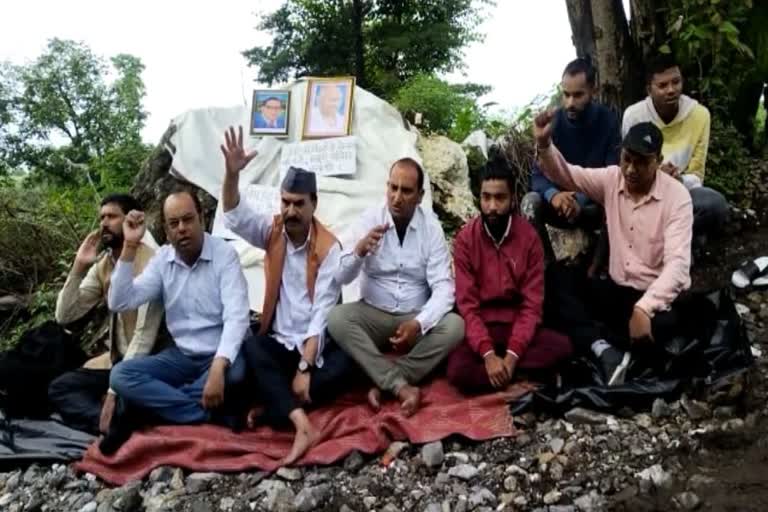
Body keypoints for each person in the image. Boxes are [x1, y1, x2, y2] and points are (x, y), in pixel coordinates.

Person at [220, 126, 351, 465]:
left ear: (313, 205)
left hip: (315, 350)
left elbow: (322, 316)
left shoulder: (328, 248)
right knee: (251, 346)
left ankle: (276, 406)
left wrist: (305, 367)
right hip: (280, 345)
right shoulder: (273, 231)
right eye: (286, 203)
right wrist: (231, 175)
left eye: (298, 204)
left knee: (349, 364)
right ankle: (299, 421)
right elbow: (234, 216)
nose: (291, 211)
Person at [534, 112, 696, 387]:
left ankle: (605, 344)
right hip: (616, 291)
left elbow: (678, 266)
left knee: (667, 328)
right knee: (554, 282)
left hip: (655, 298)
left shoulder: (677, 198)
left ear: (657, 161)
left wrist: (644, 308)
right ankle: (604, 349)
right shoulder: (612, 179)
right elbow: (567, 174)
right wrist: (545, 144)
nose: (631, 169)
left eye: (641, 162)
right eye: (627, 160)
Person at [100, 188, 251, 454]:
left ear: (201, 218)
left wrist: (217, 369)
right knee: (121, 375)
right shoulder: (163, 260)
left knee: (237, 375)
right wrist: (130, 245)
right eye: (174, 223)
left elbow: (237, 317)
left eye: (187, 219)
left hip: (222, 355)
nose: (182, 228)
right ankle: (207, 413)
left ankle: (153, 408)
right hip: (182, 357)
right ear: (166, 231)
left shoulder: (224, 254)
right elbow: (119, 301)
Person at [327, 158, 465, 416]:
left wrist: (420, 323)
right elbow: (339, 276)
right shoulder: (369, 219)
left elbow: (444, 289)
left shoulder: (431, 229)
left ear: (420, 196)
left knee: (455, 326)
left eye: (406, 190)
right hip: (373, 314)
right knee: (337, 319)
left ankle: (386, 379)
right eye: (392, 188)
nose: (397, 197)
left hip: (413, 317)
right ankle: (400, 385)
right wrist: (358, 251)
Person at [446, 165, 573, 393]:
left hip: (517, 326)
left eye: (500, 198)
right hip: (482, 328)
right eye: (486, 197)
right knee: (457, 370)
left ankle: (504, 375)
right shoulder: (466, 239)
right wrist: (487, 354)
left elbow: (531, 306)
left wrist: (512, 356)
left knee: (563, 347)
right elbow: (467, 306)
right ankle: (519, 380)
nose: (492, 207)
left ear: (513, 199)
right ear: (479, 198)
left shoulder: (529, 238)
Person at [49, 194, 163, 434]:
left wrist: (113, 390)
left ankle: (114, 417)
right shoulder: (104, 264)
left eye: (111, 216)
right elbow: (65, 315)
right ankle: (110, 424)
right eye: (102, 217)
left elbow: (145, 336)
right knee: (60, 387)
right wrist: (79, 266)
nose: (104, 223)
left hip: (150, 364)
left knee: (128, 397)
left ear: (131, 221)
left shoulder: (151, 262)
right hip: (116, 363)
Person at [522, 58, 621, 264]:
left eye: (578, 95)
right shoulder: (553, 123)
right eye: (566, 95)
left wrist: (579, 200)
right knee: (530, 202)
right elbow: (537, 175)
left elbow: (613, 176)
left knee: (617, 203)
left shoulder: (608, 121)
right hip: (559, 205)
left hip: (591, 206)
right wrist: (554, 196)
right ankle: (545, 270)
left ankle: (601, 269)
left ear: (593, 91)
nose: (570, 103)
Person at [622, 55, 729, 246]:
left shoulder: (700, 115)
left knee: (715, 204)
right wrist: (655, 176)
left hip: (681, 192)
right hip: (645, 194)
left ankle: (665, 241)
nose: (671, 90)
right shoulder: (634, 116)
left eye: (676, 82)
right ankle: (679, 242)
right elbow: (629, 168)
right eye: (662, 86)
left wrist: (677, 180)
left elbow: (697, 173)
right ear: (649, 90)